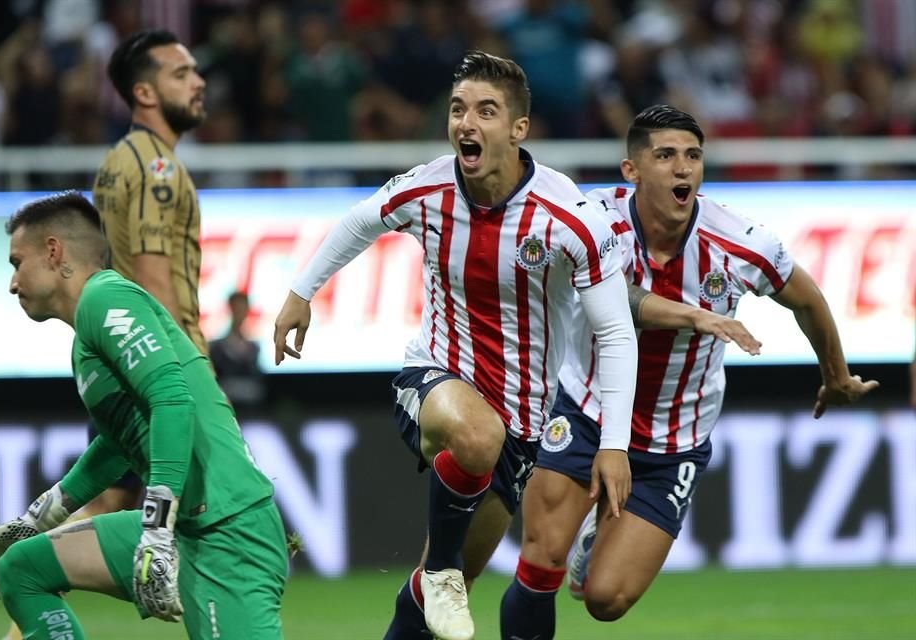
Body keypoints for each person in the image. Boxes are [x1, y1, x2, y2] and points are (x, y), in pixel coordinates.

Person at [272, 52, 754, 640]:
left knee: (434, 605)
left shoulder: (569, 217)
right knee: (476, 439)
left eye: (485, 111)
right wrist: (301, 293)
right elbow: (357, 222)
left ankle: (439, 577)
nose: (466, 124)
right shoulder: (427, 188)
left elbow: (614, 333)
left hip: (524, 424)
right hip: (435, 379)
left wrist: (613, 445)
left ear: (518, 129)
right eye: (457, 110)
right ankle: (445, 570)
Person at [499, 104, 880, 640]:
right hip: (585, 410)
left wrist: (836, 377)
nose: (683, 169)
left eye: (693, 156)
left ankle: (597, 539)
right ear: (631, 171)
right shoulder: (594, 222)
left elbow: (808, 299)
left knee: (607, 600)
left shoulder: (741, 242)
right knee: (540, 562)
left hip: (673, 439)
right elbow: (615, 299)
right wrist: (697, 317)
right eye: (666, 156)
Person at [0, 192, 288, 639]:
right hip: (178, 528)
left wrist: (156, 526)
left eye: (16, 262)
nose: (12, 282)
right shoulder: (86, 337)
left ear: (53, 251)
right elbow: (119, 443)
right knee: (22, 569)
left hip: (226, 531)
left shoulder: (104, 297)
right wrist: (37, 518)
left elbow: (171, 400)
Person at [87, 28, 209, 517]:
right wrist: (191, 371)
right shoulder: (159, 167)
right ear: (144, 92)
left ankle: (17, 563)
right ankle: (18, 568)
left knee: (115, 502)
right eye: (181, 74)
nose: (198, 82)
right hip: (157, 363)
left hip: (119, 357)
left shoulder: (114, 163)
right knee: (200, 510)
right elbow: (153, 274)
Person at [209, 291, 266, 412]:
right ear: (230, 308)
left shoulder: (254, 348)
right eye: (237, 307)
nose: (240, 312)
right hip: (225, 410)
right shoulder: (216, 347)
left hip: (252, 411)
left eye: (243, 307)